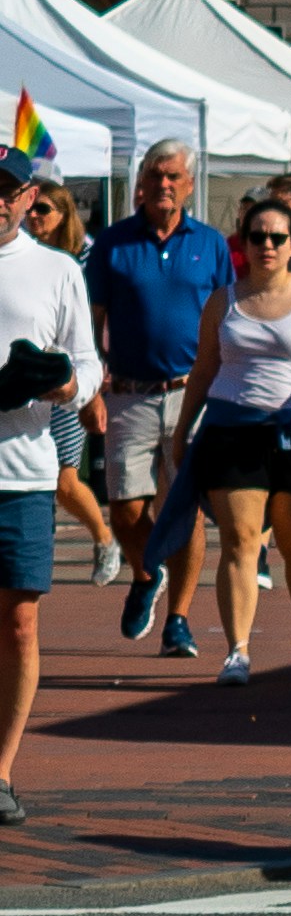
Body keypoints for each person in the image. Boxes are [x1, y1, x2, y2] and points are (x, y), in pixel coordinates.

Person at [175, 195, 291, 681]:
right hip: (233, 430)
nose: (268, 246)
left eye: (278, 238)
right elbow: (204, 367)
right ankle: (237, 650)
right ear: (245, 242)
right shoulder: (223, 301)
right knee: (240, 541)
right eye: (259, 237)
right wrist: (182, 428)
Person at [0, 151, 106, 825]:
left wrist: (64, 384)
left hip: (25, 470)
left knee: (19, 621)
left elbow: (89, 366)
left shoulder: (57, 269)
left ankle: (1, 770)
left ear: (28, 196)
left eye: (6, 190)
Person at [95, 141, 227, 642]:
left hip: (192, 393)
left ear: (189, 184)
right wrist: (93, 382)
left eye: (173, 177)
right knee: (125, 509)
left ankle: (179, 620)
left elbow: (226, 319)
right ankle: (148, 575)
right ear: (141, 185)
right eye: (155, 176)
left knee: (185, 507)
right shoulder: (113, 243)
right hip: (128, 392)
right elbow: (95, 318)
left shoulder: (210, 244)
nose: (164, 185)